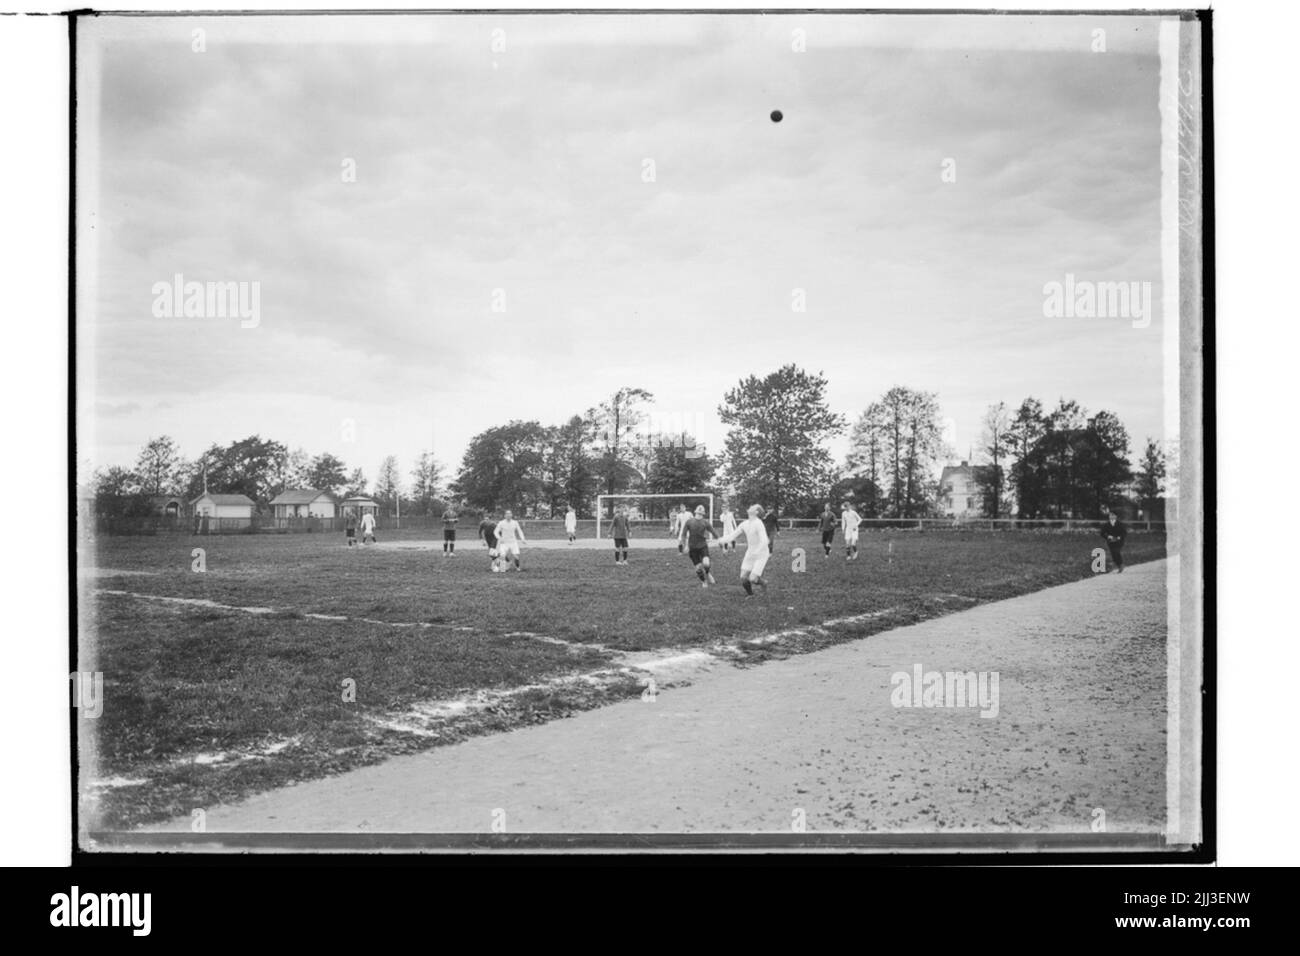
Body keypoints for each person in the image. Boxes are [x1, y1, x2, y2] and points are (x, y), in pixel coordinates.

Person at [714, 504, 772, 596]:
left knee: (753, 579)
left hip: (761, 554)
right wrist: (720, 540)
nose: (749, 507)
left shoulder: (758, 523)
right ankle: (751, 595)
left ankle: (764, 583)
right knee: (743, 578)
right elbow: (732, 536)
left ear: (756, 512)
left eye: (752, 507)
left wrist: (757, 551)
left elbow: (764, 540)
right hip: (750, 553)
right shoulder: (744, 524)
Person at [678, 504, 718, 588]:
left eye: (701, 513)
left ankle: (708, 573)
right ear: (695, 512)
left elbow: (713, 532)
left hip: (703, 546)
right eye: (698, 513)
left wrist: (721, 540)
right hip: (692, 547)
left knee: (706, 563)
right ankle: (704, 581)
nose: (699, 515)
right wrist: (684, 545)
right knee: (698, 567)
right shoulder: (689, 522)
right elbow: (683, 535)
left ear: (703, 514)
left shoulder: (705, 522)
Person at [1100, 509, 1128, 573]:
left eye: (1113, 515)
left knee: (1116, 551)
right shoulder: (1107, 524)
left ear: (1116, 516)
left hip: (1119, 541)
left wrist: (1119, 537)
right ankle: (1118, 565)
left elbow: (1124, 532)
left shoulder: (1120, 524)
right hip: (1111, 541)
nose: (1111, 516)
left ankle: (1120, 564)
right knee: (1113, 553)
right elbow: (1102, 533)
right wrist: (1108, 536)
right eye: (1110, 515)